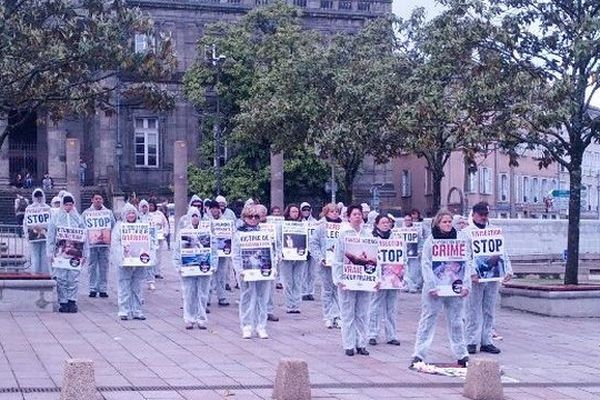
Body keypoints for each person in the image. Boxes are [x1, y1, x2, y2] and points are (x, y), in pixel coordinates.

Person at [411, 209, 471, 368]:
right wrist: (431, 285)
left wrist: (466, 285)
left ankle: (461, 353)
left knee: (457, 320)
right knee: (428, 319)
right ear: (438, 223)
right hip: (435, 288)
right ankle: (419, 353)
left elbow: (467, 262)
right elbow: (425, 264)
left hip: (454, 287)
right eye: (444, 222)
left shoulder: (461, 238)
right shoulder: (431, 241)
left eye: (450, 222)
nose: (447, 224)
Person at [463, 202, 512, 355]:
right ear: (474, 215)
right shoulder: (466, 233)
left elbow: (502, 251)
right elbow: (466, 255)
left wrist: (508, 270)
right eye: (481, 214)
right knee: (472, 309)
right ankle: (471, 340)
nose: (484, 217)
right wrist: (471, 272)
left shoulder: (494, 231)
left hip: (492, 276)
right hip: (476, 276)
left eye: (486, 214)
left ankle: (487, 340)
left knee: (489, 309)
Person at [333, 205, 373, 356]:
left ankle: (361, 343)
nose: (358, 216)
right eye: (355, 214)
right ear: (349, 217)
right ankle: (349, 344)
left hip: (364, 279)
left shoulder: (368, 234)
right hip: (347, 279)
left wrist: (374, 278)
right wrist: (338, 279)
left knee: (362, 313)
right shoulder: (343, 235)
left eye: (359, 214)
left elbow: (374, 256)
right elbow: (337, 259)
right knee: (348, 313)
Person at [232, 204, 273, 339]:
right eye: (251, 216)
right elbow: (236, 255)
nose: (254, 219)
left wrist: (274, 267)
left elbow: (272, 251)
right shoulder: (238, 234)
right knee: (247, 297)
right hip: (246, 270)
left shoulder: (265, 233)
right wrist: (239, 270)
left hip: (262, 269)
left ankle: (261, 326)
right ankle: (247, 326)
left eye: (256, 217)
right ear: (244, 217)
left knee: (262, 297)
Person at [174, 206, 217, 329]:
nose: (194, 218)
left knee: (203, 293)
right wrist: (178, 266)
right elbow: (177, 251)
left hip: (204, 266)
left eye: (196, 215)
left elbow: (213, 250)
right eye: (192, 216)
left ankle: (201, 318)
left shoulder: (206, 232)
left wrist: (213, 265)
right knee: (189, 293)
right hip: (188, 267)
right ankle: (189, 318)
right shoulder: (183, 232)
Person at [46, 193, 89, 313]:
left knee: (73, 277)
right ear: (62, 205)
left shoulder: (78, 218)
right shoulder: (56, 218)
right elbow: (50, 236)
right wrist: (50, 253)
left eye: (70, 204)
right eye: (66, 204)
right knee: (61, 278)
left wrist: (85, 253)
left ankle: (72, 300)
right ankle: (63, 302)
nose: (68, 207)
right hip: (60, 252)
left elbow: (84, 237)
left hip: (75, 253)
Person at [368, 214, 402, 346]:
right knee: (375, 306)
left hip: (393, 276)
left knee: (391, 307)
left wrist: (402, 276)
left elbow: (402, 258)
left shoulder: (396, 238)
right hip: (377, 277)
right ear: (376, 224)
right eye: (383, 222)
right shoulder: (371, 238)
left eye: (387, 222)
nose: (386, 225)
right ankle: (372, 334)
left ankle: (391, 335)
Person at [111, 203, 147, 320]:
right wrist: (121, 255)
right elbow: (115, 244)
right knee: (124, 286)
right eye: (128, 213)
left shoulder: (141, 226)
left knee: (137, 286)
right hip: (125, 260)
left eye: (133, 213)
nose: (131, 215)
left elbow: (149, 241)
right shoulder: (119, 227)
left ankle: (137, 310)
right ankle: (124, 310)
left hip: (138, 261)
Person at [310, 203, 342, 329]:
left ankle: (338, 316)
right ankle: (328, 316)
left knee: (339, 290)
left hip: (339, 264)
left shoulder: (344, 226)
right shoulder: (321, 227)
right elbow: (313, 244)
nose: (334, 213)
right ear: (326, 213)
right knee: (328, 290)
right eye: (331, 211)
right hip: (326, 263)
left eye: (336, 211)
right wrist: (320, 258)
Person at [82, 193, 116, 298]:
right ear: (92, 200)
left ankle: (103, 288)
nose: (98, 200)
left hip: (104, 244)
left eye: (100, 199)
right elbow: (82, 226)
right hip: (91, 244)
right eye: (96, 199)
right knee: (92, 266)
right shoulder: (86, 213)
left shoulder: (108, 213)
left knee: (104, 267)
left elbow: (113, 225)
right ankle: (92, 288)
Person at [278, 204, 307, 314]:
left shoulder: (303, 225)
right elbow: (279, 239)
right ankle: (289, 304)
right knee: (288, 281)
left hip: (299, 256)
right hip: (287, 257)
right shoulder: (282, 225)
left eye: (296, 211)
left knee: (298, 280)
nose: (295, 213)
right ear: (288, 212)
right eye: (292, 211)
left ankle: (297, 304)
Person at [207, 200, 232, 307]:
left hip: (222, 253)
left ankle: (222, 297)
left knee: (221, 275)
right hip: (210, 252)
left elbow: (231, 233)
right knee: (209, 276)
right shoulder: (205, 221)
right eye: (212, 208)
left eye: (216, 208)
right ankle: (207, 298)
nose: (214, 210)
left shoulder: (225, 221)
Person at [257, 204, 279, 322]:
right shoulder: (252, 226)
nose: (262, 216)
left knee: (270, 287)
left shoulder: (272, 226)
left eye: (264, 213)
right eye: (260, 214)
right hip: (257, 259)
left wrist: (279, 253)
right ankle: (258, 310)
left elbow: (278, 241)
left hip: (270, 259)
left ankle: (269, 311)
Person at [23, 188, 51, 274]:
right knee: (35, 255)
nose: (38, 198)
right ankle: (35, 273)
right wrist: (26, 234)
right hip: (34, 235)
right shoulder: (29, 208)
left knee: (44, 255)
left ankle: (44, 273)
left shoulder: (48, 208)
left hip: (45, 235)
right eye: (36, 196)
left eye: (40, 196)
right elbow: (25, 223)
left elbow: (52, 222)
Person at [138, 199, 159, 290]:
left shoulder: (152, 217)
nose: (144, 208)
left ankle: (151, 281)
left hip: (150, 243)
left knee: (150, 263)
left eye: (145, 206)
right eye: (142, 206)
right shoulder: (137, 217)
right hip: (139, 243)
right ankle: (139, 281)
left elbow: (155, 230)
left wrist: (155, 242)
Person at [300, 202, 318, 302]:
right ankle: (303, 292)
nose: (306, 211)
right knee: (303, 272)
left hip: (312, 250)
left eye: (308, 209)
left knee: (312, 272)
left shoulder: (315, 222)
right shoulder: (299, 222)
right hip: (302, 248)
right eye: (304, 210)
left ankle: (310, 292)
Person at [402, 213, 424, 294]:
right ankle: (406, 285)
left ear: (411, 221)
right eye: (406, 220)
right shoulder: (399, 231)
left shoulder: (416, 231)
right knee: (405, 271)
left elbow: (421, 242)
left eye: (409, 220)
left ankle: (414, 285)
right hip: (403, 254)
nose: (407, 221)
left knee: (414, 271)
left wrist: (419, 251)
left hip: (413, 254)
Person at [148, 199, 169, 279]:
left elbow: (165, 224)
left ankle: (157, 272)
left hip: (159, 238)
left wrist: (165, 233)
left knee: (158, 256)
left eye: (152, 205)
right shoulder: (145, 215)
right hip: (148, 239)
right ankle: (149, 273)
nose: (150, 207)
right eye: (149, 205)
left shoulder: (160, 214)